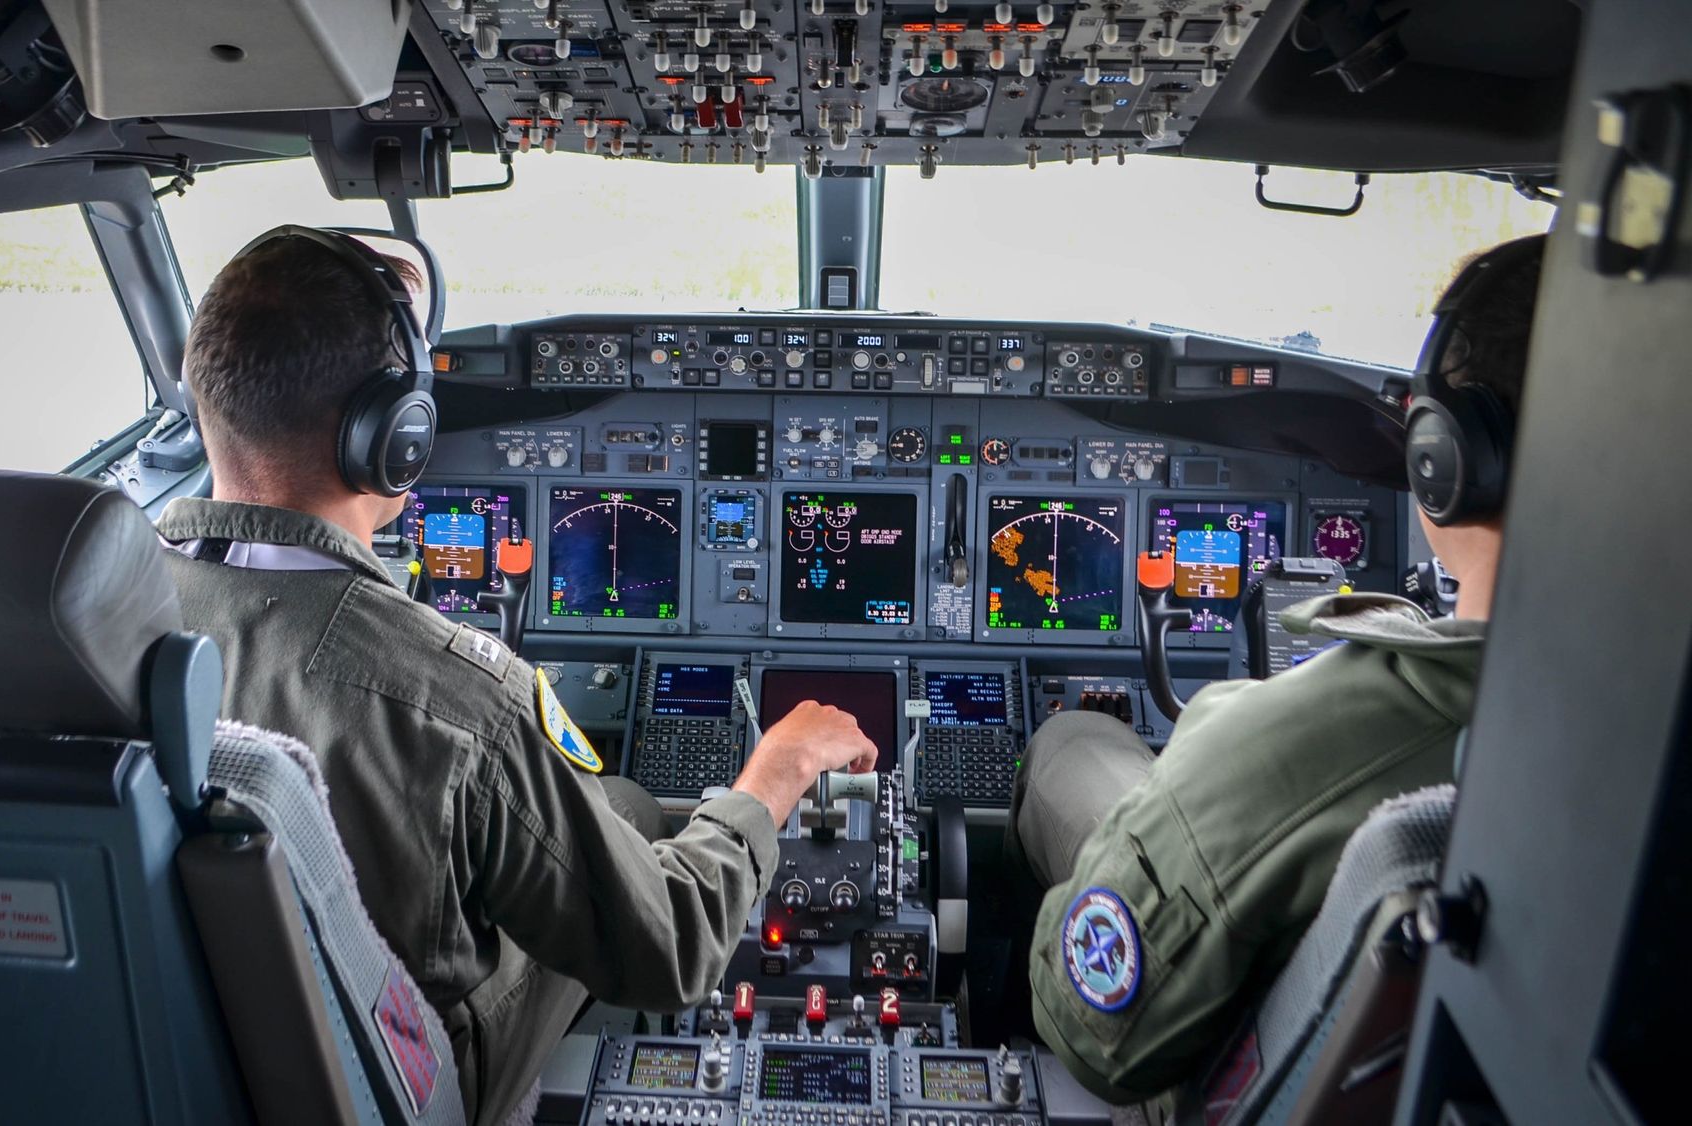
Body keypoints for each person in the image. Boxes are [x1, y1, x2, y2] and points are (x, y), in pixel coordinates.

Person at [154, 227, 876, 1126]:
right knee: (626, 816)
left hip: (177, 1063)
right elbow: (677, 949)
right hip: (390, 1085)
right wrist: (774, 774)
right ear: (395, 441)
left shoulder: (96, 627)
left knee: (608, 812)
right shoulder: (461, 702)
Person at [1008, 234, 1543, 1108]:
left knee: (1076, 737)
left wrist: (1202, 757)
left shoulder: (1308, 742)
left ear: (1448, 456)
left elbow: (1087, 1030)